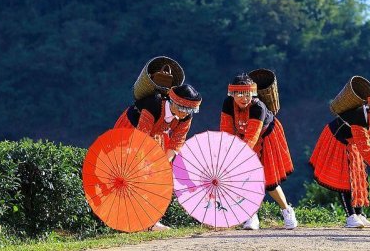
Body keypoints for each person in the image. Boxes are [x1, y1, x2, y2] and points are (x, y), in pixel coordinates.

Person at [310, 86, 370, 228]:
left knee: (359, 177)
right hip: (337, 140)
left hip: (355, 143)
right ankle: (351, 216)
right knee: (345, 179)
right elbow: (366, 150)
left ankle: (360, 214)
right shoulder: (359, 117)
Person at [113, 83, 202, 230]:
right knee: (132, 175)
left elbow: (177, 140)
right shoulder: (153, 105)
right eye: (182, 109)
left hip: (157, 135)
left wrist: (164, 163)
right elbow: (142, 137)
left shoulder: (185, 116)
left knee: (159, 178)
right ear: (172, 103)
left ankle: (152, 221)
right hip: (131, 133)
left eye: (189, 110)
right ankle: (128, 219)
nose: (185, 113)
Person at [220, 73, 297, 230]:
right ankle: (251, 216)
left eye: (248, 94)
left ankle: (287, 211)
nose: (244, 98)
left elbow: (252, 137)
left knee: (268, 181)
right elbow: (226, 131)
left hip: (266, 136)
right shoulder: (228, 104)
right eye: (240, 94)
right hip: (243, 133)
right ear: (232, 94)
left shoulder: (258, 108)